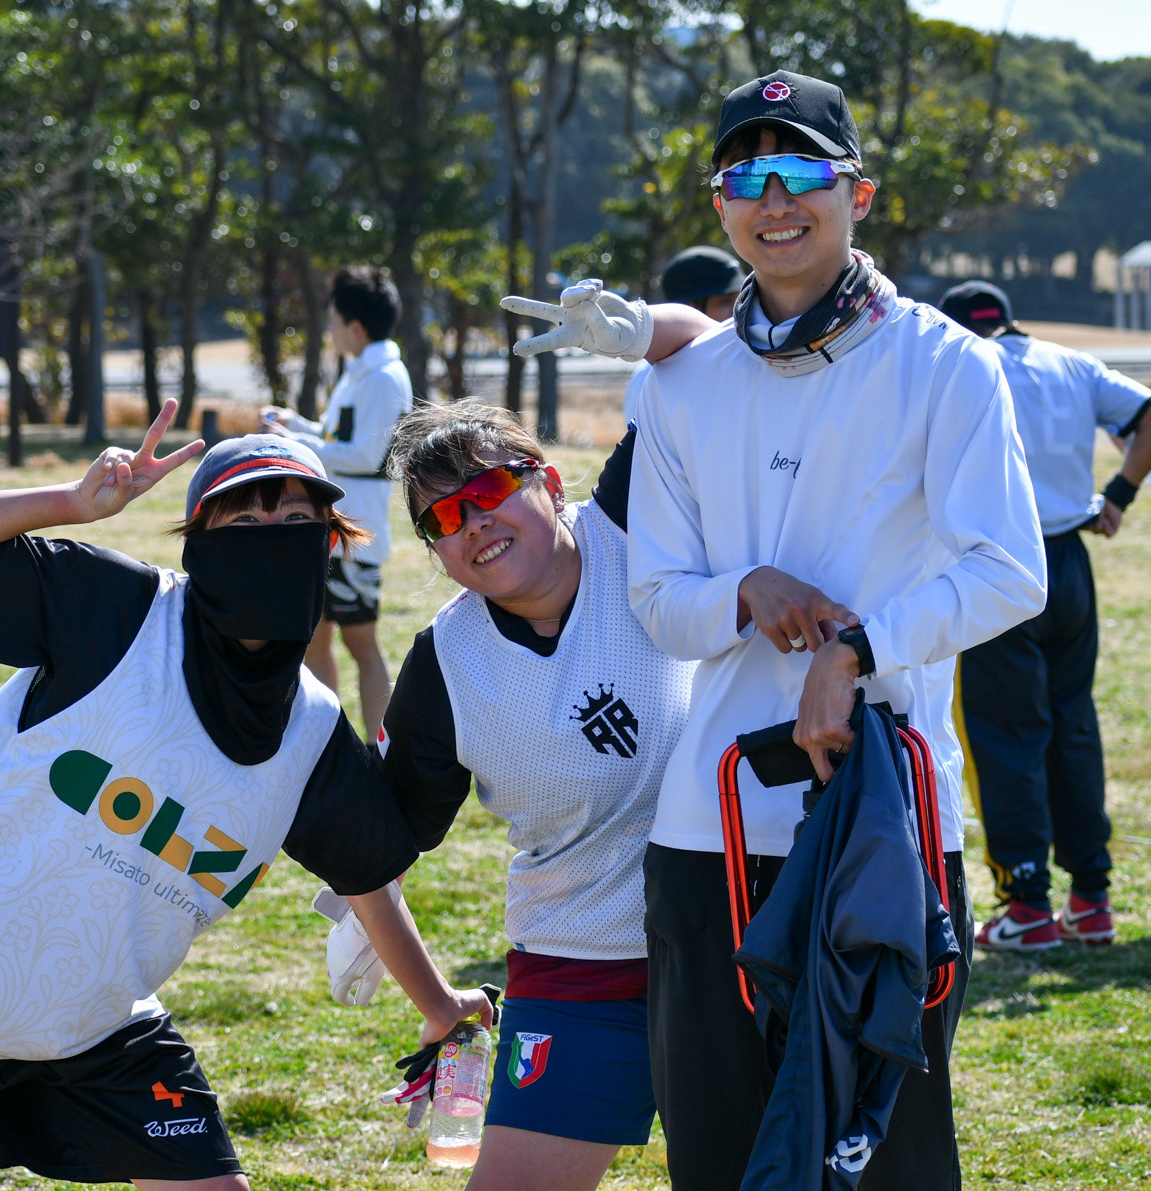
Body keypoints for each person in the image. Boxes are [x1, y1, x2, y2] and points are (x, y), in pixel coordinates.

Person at [0, 404, 490, 1191]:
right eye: (245, 518)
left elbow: (367, 879)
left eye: (295, 519)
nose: (272, 534)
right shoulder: (114, 607)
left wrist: (439, 1005)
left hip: (92, 1021)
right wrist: (71, 503)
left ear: (329, 543)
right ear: (200, 540)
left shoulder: (311, 731)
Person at [611, 68, 1045, 1190]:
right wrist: (746, 591)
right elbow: (659, 601)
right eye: (745, 175)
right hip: (707, 832)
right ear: (720, 204)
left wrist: (857, 649)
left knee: (886, 1160)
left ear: (857, 191)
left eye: (802, 168)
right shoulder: (677, 387)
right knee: (720, 1158)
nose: (775, 199)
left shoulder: (945, 362)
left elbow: (1010, 572)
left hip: (885, 822)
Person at [372, 292, 717, 1191]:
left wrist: (641, 327)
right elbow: (370, 847)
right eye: (443, 520)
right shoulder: (446, 664)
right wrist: (435, 1000)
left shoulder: (633, 524)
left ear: (550, 483)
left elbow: (709, 361)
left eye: (488, 492)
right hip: (578, 963)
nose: (474, 523)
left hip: (736, 940)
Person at [936, 280, 1151, 952]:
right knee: (1073, 723)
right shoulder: (1068, 361)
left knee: (1004, 735)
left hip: (996, 563)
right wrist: (1118, 494)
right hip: (1069, 560)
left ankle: (1027, 902)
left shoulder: (958, 362)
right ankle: (1091, 895)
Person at [262, 266, 413, 733]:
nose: (329, 329)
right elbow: (337, 438)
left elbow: (367, 455)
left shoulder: (384, 377)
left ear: (356, 327)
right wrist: (295, 425)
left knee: (361, 644)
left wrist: (298, 443)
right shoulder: (359, 371)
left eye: (333, 320)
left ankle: (382, 755)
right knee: (315, 641)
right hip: (328, 527)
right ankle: (325, 744)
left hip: (357, 531)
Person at [622, 245, 746, 428]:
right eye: (725, 301)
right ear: (689, 307)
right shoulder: (650, 378)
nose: (739, 308)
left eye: (742, 297)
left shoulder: (745, 360)